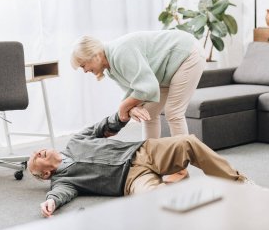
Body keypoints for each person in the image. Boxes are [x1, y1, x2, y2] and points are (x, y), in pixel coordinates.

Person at [28, 111, 250, 218]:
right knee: (160, 203)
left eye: (36, 151)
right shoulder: (62, 180)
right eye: (36, 158)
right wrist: (51, 203)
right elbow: (60, 193)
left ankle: (239, 184)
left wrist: (124, 114)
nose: (38, 152)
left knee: (188, 142)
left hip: (142, 151)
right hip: (131, 180)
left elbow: (103, 125)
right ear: (46, 173)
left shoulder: (76, 141)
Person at [70, 30, 206, 182]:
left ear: (94, 55)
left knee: (173, 113)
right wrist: (131, 107)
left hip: (186, 55)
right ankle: (151, 163)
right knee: (148, 114)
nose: (85, 70)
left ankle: (180, 169)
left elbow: (148, 89)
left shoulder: (121, 52)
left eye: (84, 65)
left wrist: (123, 107)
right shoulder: (110, 70)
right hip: (163, 72)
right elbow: (134, 93)